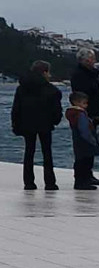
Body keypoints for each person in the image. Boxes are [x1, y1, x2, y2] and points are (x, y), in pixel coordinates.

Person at [13, 61, 63, 191]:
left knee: (29, 152)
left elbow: (16, 109)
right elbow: (56, 110)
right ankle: (50, 183)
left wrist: (16, 125)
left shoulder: (22, 88)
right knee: (47, 153)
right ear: (44, 72)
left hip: (27, 123)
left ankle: (29, 182)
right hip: (45, 124)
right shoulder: (51, 90)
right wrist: (55, 121)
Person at [68, 50, 99, 186]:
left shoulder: (90, 74)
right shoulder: (79, 75)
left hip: (93, 113)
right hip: (86, 113)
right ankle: (81, 177)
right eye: (92, 58)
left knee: (90, 146)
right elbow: (83, 94)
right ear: (86, 60)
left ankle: (88, 174)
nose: (94, 61)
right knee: (84, 146)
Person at [64, 90, 99, 190]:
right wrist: (92, 140)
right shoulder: (80, 114)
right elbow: (84, 130)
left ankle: (82, 180)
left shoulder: (73, 113)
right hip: (85, 141)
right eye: (84, 103)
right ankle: (82, 182)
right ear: (76, 103)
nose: (86, 105)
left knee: (80, 160)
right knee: (85, 162)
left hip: (78, 141)